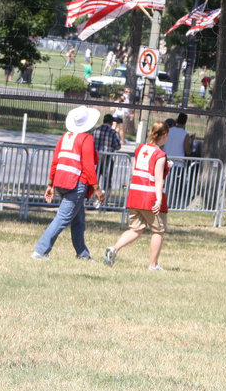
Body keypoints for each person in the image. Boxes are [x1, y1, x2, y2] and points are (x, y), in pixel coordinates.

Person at [32, 105, 105, 261]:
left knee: (78, 220)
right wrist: (97, 189)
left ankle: (83, 254)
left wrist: (50, 184)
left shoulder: (65, 137)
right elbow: (88, 166)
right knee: (63, 218)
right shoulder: (86, 138)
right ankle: (40, 250)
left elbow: (55, 162)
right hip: (76, 184)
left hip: (61, 182)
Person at [104, 121, 170, 270]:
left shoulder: (140, 149)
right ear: (164, 135)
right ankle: (153, 265)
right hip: (150, 196)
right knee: (158, 231)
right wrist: (159, 200)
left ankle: (114, 249)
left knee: (136, 229)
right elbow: (158, 180)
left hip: (135, 194)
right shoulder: (160, 154)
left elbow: (137, 171)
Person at [93, 113, 122, 197]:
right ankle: (104, 200)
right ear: (111, 122)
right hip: (107, 158)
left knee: (94, 179)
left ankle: (91, 199)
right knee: (107, 179)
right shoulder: (112, 132)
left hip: (96, 158)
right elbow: (118, 146)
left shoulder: (95, 130)